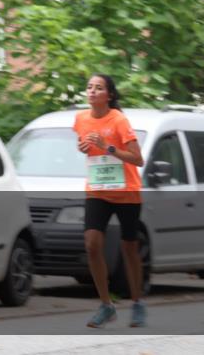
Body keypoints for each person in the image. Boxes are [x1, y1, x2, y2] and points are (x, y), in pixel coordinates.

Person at [74, 74, 146, 328]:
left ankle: (137, 302)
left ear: (109, 95)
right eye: (89, 87)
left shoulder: (119, 120)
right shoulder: (81, 118)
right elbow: (82, 144)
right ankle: (106, 305)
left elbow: (138, 159)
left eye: (99, 88)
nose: (92, 91)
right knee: (92, 244)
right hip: (98, 190)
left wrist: (108, 147)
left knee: (129, 248)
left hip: (126, 190)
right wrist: (83, 147)